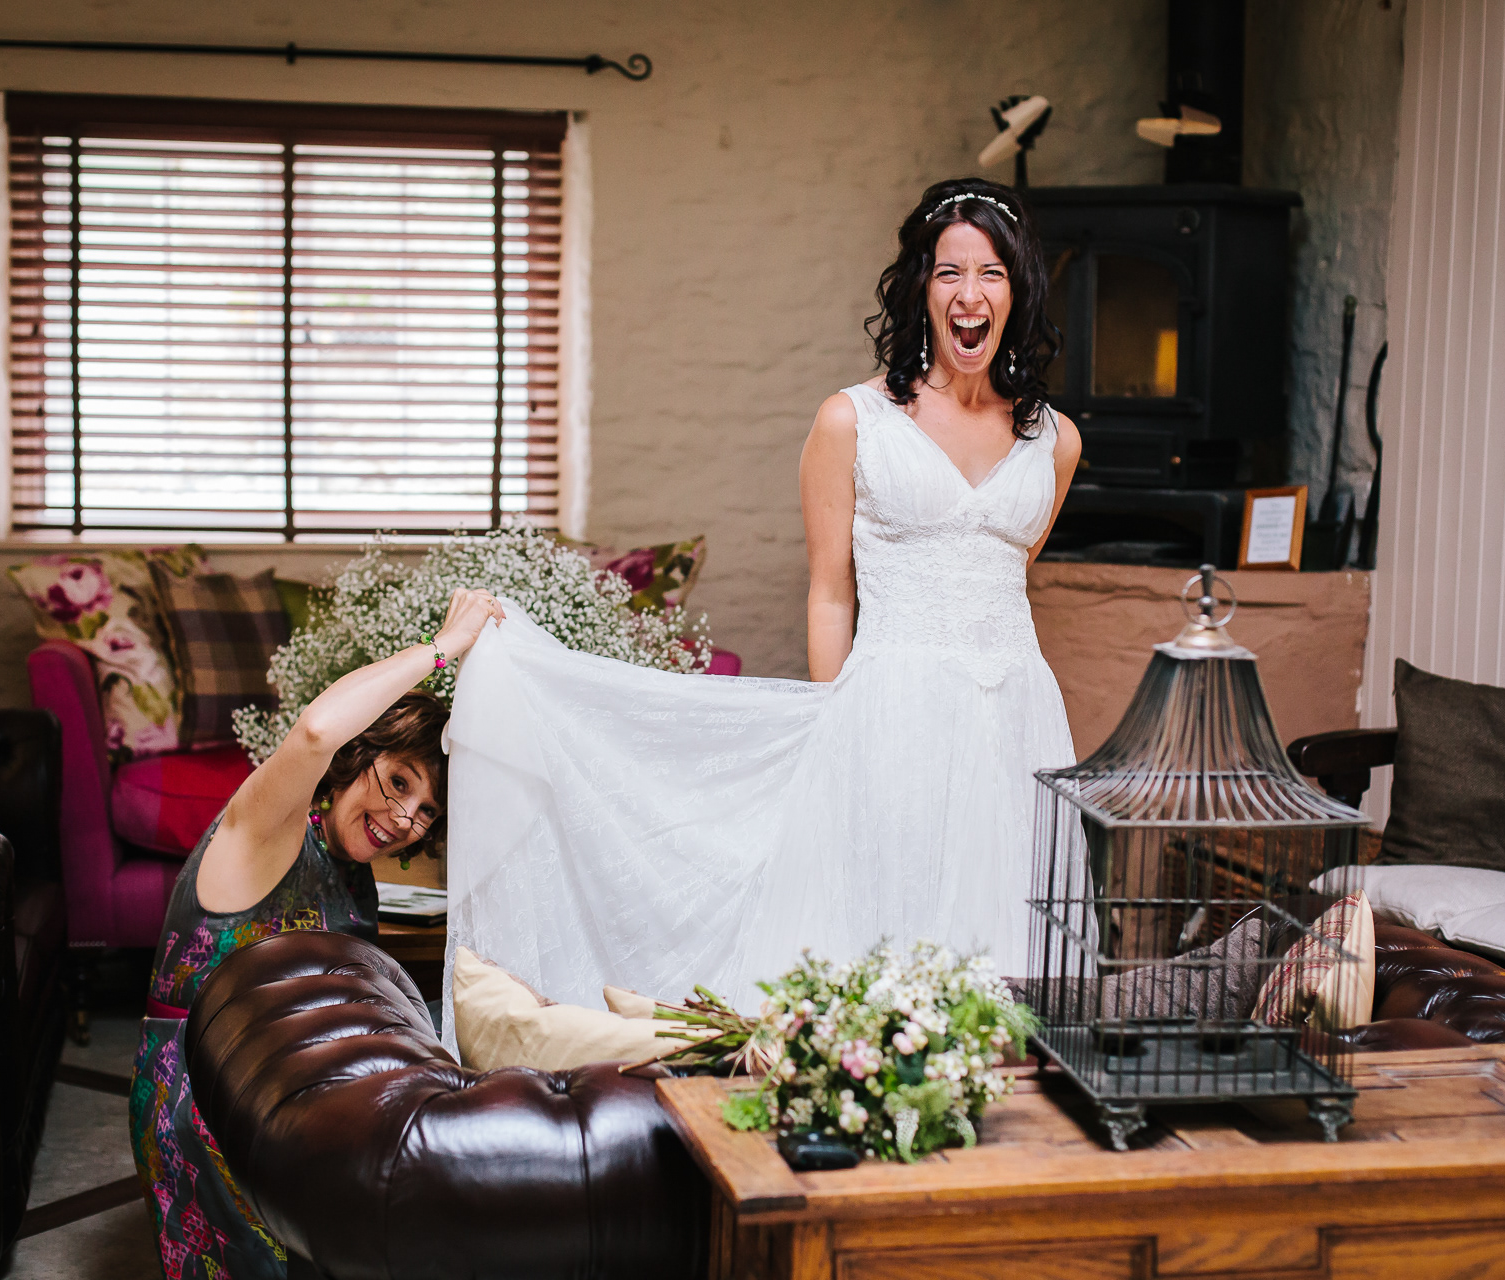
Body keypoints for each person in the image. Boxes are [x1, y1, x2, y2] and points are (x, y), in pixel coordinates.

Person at [445, 176, 1084, 1019]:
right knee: (878, 929)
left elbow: (1011, 569)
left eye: (991, 274)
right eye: (948, 273)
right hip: (892, 707)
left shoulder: (1057, 440)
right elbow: (829, 595)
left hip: (1019, 718)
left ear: (1019, 289)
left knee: (1013, 933)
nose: (970, 295)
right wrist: (837, 724)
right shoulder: (852, 421)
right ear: (920, 290)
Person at [129, 587, 503, 1280]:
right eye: (397, 780)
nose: (404, 818)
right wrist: (445, 648)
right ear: (359, 757)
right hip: (210, 1097)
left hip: (292, 1097)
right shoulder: (266, 836)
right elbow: (312, 733)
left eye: (426, 811)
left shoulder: (349, 869)